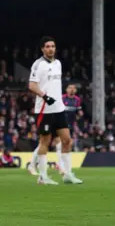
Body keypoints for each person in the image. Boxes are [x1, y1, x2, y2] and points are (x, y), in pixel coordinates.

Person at [28, 36, 83, 185]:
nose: (51, 48)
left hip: (59, 108)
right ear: (42, 49)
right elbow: (32, 86)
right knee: (45, 141)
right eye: (47, 46)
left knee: (67, 140)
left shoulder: (58, 63)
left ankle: (67, 174)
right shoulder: (38, 65)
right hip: (44, 110)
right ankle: (43, 176)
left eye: (53, 46)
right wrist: (45, 97)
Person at [28, 84, 82, 176]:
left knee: (60, 145)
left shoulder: (77, 100)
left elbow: (77, 113)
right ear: (66, 89)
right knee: (46, 143)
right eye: (70, 87)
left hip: (67, 126)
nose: (72, 89)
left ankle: (60, 167)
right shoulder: (62, 98)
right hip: (56, 124)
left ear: (76, 90)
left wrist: (78, 116)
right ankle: (33, 165)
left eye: (74, 88)